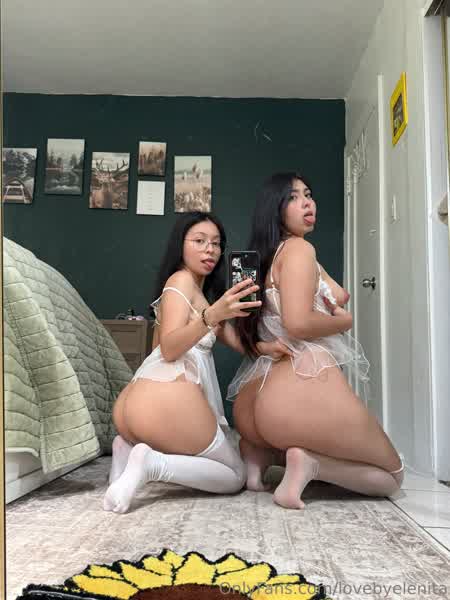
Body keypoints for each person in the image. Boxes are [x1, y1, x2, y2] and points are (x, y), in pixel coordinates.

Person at [226, 173, 404, 509]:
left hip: (254, 396)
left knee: (303, 440)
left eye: (308, 194)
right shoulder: (298, 250)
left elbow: (338, 294)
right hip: (296, 385)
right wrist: (345, 321)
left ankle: (259, 456)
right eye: (294, 197)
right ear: (275, 209)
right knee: (392, 476)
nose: (308, 203)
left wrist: (324, 284)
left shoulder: (270, 256)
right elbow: (297, 323)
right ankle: (310, 464)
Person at [103, 211, 290, 513]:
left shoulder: (196, 292)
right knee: (233, 476)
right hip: (166, 397)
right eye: (199, 241)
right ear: (180, 244)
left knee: (221, 455)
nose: (210, 250)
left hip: (137, 402)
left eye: (216, 243)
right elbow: (169, 349)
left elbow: (230, 339)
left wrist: (267, 348)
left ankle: (126, 448)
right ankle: (149, 463)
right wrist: (212, 315)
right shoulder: (180, 281)